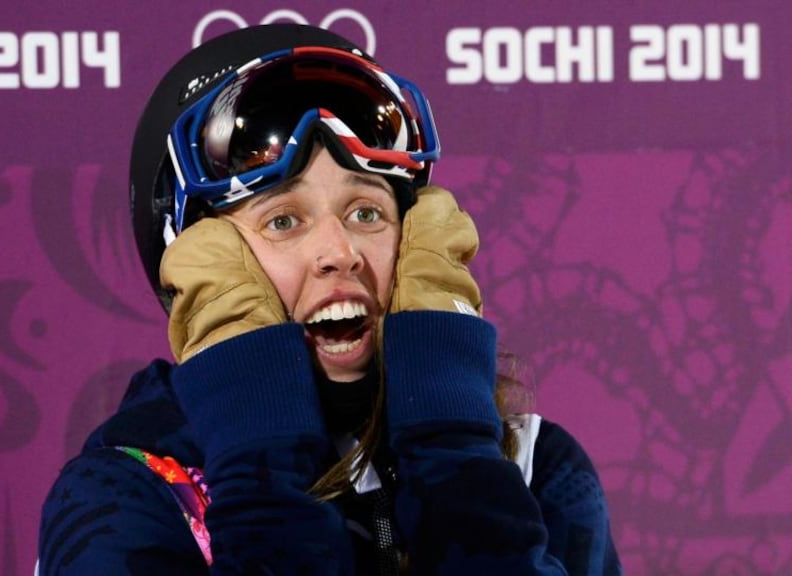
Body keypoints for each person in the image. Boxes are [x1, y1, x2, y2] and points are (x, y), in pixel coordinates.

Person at [38, 24, 621, 575]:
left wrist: (450, 445)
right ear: (193, 264)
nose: (340, 252)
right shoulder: (122, 493)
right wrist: (260, 447)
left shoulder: (534, 466)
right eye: (284, 220)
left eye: (366, 212)